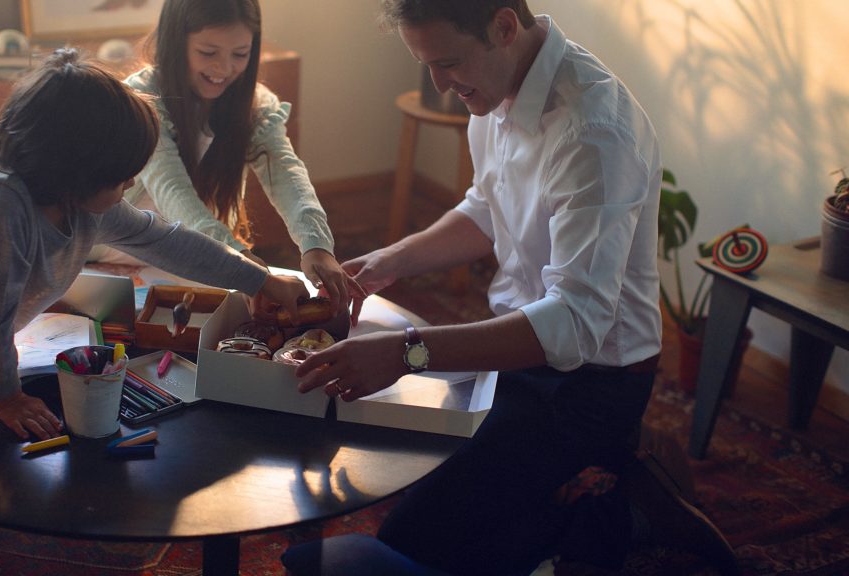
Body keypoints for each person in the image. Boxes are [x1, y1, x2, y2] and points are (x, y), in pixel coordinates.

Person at [283, 1, 738, 575]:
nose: (440, 86)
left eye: (446, 63)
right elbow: (488, 208)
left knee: (411, 541)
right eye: (426, 65)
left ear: (503, 27)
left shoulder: (594, 133)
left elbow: (573, 325)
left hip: (591, 383)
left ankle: (618, 517)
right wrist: (390, 260)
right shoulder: (495, 85)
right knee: (399, 460)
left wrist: (408, 351)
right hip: (514, 355)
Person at [0, 49, 308, 442]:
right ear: (76, 171)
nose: (127, 188)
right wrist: (8, 399)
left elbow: (168, 241)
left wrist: (259, 277)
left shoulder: (83, 204)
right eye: (121, 178)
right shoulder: (2, 211)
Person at [89, 0, 358, 314]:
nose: (224, 68)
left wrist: (316, 244)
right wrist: (242, 264)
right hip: (115, 256)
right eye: (208, 52)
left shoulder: (256, 104)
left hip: (199, 255)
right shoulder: (143, 100)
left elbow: (286, 172)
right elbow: (173, 192)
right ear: (176, 41)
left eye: (240, 54)